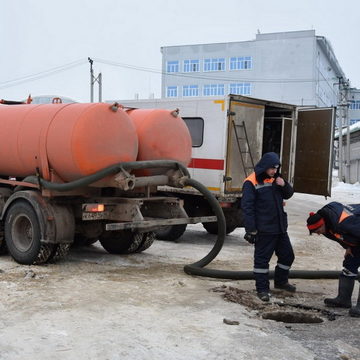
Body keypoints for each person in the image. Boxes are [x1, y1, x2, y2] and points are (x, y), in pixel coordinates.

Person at [241, 152, 296, 301]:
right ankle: (262, 289)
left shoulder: (276, 179)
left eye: (276, 168)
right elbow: (247, 208)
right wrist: (251, 230)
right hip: (264, 229)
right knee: (262, 261)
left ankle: (281, 282)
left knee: (287, 256)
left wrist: (284, 184)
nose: (274, 171)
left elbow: (288, 194)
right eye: (272, 168)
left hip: (280, 228)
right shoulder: (251, 182)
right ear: (265, 166)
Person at [306, 202, 360, 317]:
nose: (318, 234)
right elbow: (340, 236)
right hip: (357, 235)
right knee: (349, 264)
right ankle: (344, 299)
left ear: (322, 224)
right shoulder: (327, 223)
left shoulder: (342, 223)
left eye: (318, 231)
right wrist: (348, 247)